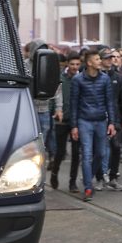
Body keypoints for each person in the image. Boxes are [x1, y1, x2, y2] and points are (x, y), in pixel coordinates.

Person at [69, 49, 117, 201]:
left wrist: (111, 123)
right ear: (89, 62)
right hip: (84, 121)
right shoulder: (78, 80)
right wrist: (74, 126)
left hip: (101, 121)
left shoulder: (105, 79)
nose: (100, 61)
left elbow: (110, 102)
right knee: (87, 154)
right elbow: (74, 103)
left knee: (101, 153)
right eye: (97, 59)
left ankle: (88, 176)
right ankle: (88, 187)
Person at [96, 48, 122, 191]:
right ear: (101, 60)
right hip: (98, 117)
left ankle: (113, 177)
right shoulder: (96, 76)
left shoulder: (119, 77)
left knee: (116, 148)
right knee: (99, 150)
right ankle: (99, 177)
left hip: (115, 117)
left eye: (112, 58)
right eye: (107, 58)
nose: (110, 60)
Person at [52, 51, 82, 192]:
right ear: (67, 64)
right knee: (60, 151)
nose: (75, 67)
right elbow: (54, 96)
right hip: (62, 119)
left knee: (76, 153)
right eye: (72, 64)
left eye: (77, 64)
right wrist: (56, 111)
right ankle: (54, 173)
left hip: (77, 120)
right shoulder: (60, 78)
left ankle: (72, 182)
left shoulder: (82, 78)